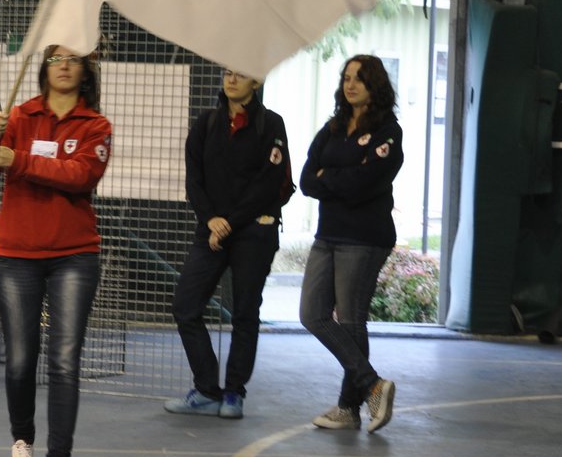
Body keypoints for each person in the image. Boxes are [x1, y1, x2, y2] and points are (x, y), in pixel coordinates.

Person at [0, 46, 111, 457]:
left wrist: (22, 162)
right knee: (21, 358)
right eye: (55, 59)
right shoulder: (18, 117)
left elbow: (80, 175)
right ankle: (22, 443)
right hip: (16, 255)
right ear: (44, 69)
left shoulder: (96, 126)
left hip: (75, 256)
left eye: (72, 59)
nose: (64, 65)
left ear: (85, 69)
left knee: (65, 360)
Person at [165, 67, 292, 419]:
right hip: (211, 230)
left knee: (245, 314)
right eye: (227, 72)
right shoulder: (206, 123)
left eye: (241, 73)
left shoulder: (271, 125)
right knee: (186, 306)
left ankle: (234, 393)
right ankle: (207, 388)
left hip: (254, 232)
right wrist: (210, 219)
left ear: (257, 81)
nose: (232, 79)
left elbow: (268, 185)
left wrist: (229, 222)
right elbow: (194, 180)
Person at [299, 54, 402, 433]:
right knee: (312, 314)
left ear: (374, 85)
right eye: (346, 78)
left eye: (359, 78)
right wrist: (343, 176)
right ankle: (373, 385)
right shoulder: (333, 127)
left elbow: (366, 184)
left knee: (352, 321)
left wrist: (333, 177)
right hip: (327, 235)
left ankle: (348, 409)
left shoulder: (388, 131)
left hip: (364, 238)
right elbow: (308, 179)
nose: (350, 84)